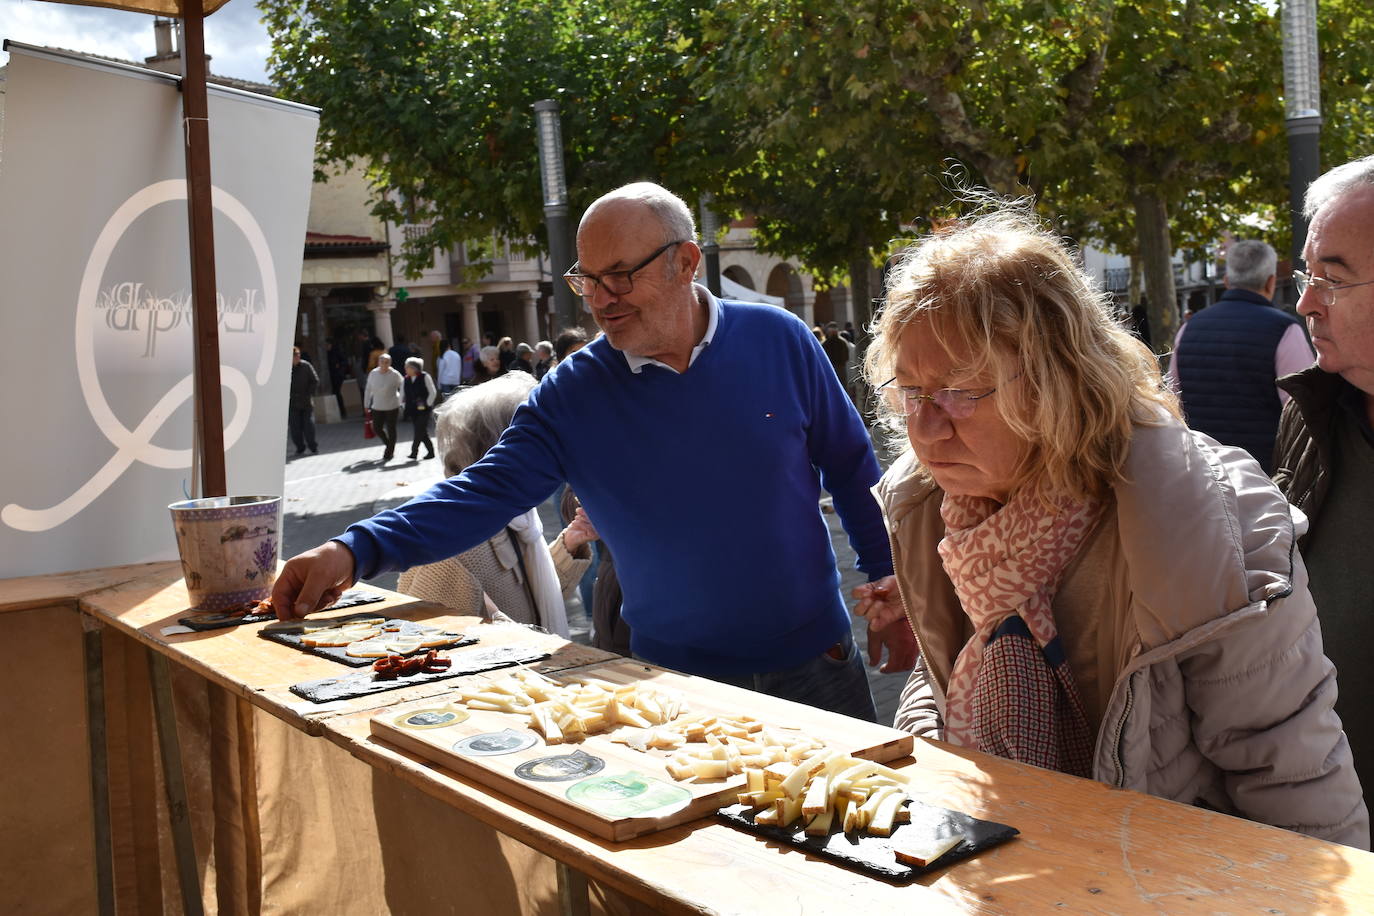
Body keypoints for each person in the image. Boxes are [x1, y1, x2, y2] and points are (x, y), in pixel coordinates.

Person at [271, 181, 903, 721]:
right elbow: (480, 492)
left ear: (686, 263)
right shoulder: (574, 393)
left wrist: (889, 580)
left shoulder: (781, 339)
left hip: (818, 664)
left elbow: (852, 469)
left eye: (620, 277)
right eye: (588, 281)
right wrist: (352, 548)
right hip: (676, 686)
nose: (601, 300)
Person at [853, 207, 1366, 847]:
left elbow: (1294, 779)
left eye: (959, 391)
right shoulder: (937, 500)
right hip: (1004, 864)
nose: (926, 429)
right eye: (910, 392)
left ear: (1053, 381)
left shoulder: (1206, 520)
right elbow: (945, 673)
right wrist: (928, 777)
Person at [1274, 153, 1374, 793]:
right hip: (1320, 818)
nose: (1307, 302)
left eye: (1332, 279)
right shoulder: (1310, 413)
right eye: (1308, 274)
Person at [398, 372, 598, 635]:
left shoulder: (518, 515)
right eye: (543, 439)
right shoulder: (452, 545)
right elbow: (431, 644)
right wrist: (494, 620)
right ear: (505, 447)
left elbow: (538, 599)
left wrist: (569, 543)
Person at [1167, 240, 1313, 473]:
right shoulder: (1284, 329)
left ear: (1227, 281)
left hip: (1205, 474)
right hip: (1264, 475)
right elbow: (1304, 410)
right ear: (1271, 282)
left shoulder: (1189, 328)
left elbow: (1173, 402)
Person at [364, 353, 404, 461]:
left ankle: (389, 452)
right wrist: (366, 404)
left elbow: (403, 385)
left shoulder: (395, 374)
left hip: (392, 405)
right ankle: (388, 444)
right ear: (378, 363)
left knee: (391, 429)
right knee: (377, 428)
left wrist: (401, 400)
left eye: (387, 362)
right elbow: (368, 389)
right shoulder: (373, 373)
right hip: (377, 406)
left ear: (390, 363)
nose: (384, 364)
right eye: (382, 362)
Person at [401, 356, 437, 461]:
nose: (405, 369)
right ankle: (431, 451)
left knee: (418, 430)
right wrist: (402, 405)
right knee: (421, 431)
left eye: (407, 367)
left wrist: (427, 403)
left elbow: (432, 392)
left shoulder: (425, 376)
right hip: (412, 409)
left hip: (424, 408)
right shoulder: (406, 379)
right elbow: (402, 394)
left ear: (414, 368)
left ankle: (414, 452)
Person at [288, 346, 319, 455]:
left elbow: (315, 380)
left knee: (308, 426)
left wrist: (309, 393)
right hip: (292, 403)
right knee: (295, 428)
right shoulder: (285, 368)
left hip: (306, 402)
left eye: (298, 355)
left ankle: (313, 446)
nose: (297, 357)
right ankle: (300, 447)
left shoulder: (306, 366)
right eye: (295, 355)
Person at [821, 321, 851, 387]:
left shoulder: (824, 344)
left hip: (832, 369)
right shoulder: (843, 342)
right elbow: (846, 357)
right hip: (839, 369)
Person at [326, 338, 350, 418]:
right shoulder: (326, 353)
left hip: (337, 375)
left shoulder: (336, 352)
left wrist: (339, 369)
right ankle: (340, 411)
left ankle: (342, 412)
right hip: (331, 376)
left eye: (328, 345)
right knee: (335, 392)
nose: (327, 347)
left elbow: (344, 362)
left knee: (336, 392)